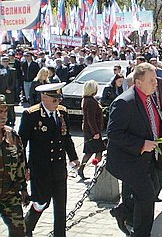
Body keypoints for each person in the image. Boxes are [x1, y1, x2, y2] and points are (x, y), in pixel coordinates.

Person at [106, 62, 162, 237]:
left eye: (155, 79)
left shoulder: (150, 97)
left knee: (153, 187)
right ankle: (141, 233)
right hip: (128, 161)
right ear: (138, 82)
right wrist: (142, 144)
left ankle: (123, 212)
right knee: (146, 197)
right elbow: (113, 133)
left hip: (147, 158)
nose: (155, 83)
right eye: (151, 80)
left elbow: (155, 124)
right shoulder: (124, 102)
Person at [19, 82, 80, 237]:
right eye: (54, 100)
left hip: (59, 168)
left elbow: (66, 138)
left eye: (59, 99)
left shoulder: (62, 112)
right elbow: (21, 145)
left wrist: (73, 157)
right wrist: (24, 167)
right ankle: (26, 228)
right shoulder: (31, 115)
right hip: (41, 169)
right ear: (44, 98)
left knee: (60, 207)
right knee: (41, 203)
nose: (57, 103)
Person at [0, 94, 28, 237]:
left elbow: (21, 165)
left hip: (9, 194)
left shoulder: (13, 136)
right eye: (0, 111)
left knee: (19, 230)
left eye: (5, 111)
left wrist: (23, 189)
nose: (3, 115)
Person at [78, 80, 106, 180]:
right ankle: (94, 170)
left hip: (89, 130)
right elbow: (91, 119)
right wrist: (95, 132)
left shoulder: (87, 99)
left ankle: (84, 169)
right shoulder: (90, 101)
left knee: (92, 151)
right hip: (92, 131)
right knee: (96, 151)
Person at [0, 55, 17, 126]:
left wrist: (10, 89)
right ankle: (6, 120)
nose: (5, 63)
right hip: (1, 91)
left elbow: (14, 81)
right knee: (3, 106)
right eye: (3, 61)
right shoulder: (0, 70)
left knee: (10, 106)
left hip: (9, 91)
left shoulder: (12, 70)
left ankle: (12, 120)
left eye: (6, 61)